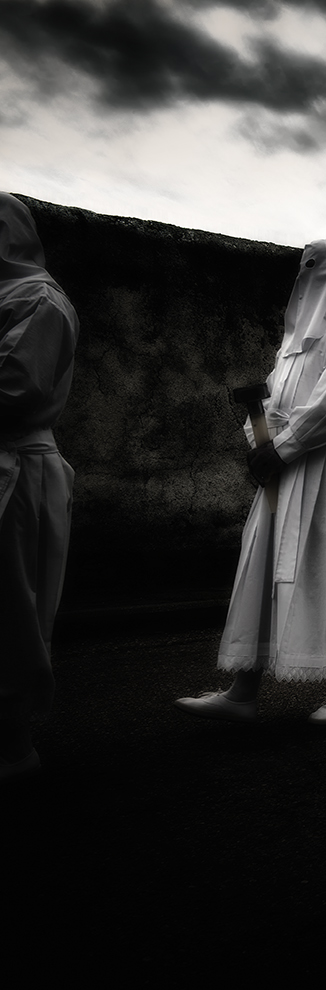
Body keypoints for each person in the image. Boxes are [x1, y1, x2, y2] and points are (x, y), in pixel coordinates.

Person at [176, 240, 326, 723]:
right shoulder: (294, 342)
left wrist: (284, 445)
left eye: (318, 268)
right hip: (285, 462)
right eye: (304, 269)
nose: (308, 278)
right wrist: (260, 444)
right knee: (264, 562)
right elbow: (273, 402)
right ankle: (243, 688)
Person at [1, 193, 78, 781]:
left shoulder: (36, 299)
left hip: (18, 466)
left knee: (14, 606)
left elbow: (16, 389)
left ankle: (13, 742)